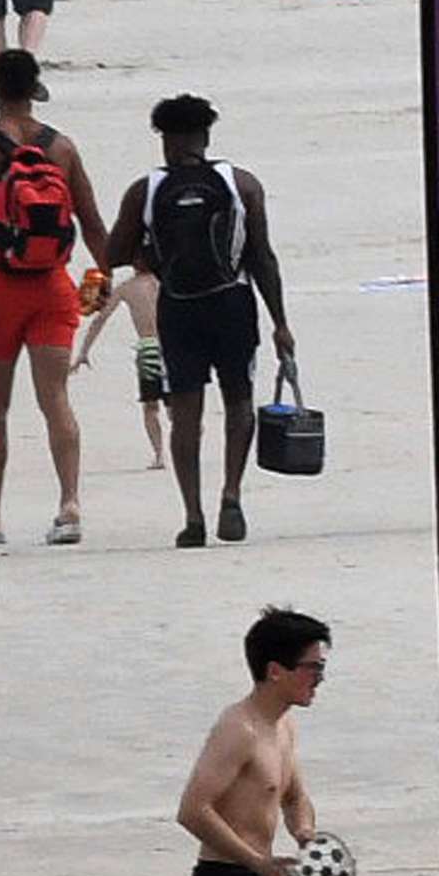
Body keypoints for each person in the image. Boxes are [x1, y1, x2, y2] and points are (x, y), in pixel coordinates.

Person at [101, 95, 294, 548]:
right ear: (206, 137)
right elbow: (261, 257)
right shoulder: (241, 184)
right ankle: (231, 493)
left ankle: (193, 516)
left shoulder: (144, 191)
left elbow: (112, 253)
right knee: (238, 401)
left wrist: (147, 253)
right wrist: (280, 322)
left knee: (185, 415)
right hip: (233, 303)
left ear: (164, 140)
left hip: (178, 308)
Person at [0, 48, 110, 546]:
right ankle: (68, 507)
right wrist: (101, 282)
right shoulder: (61, 146)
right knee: (56, 400)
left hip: (0, 286)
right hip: (53, 286)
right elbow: (91, 222)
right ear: (35, 88)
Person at [176, 608, 331, 876]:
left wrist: (307, 838)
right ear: (276, 671)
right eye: (312, 668)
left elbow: (294, 797)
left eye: (322, 667)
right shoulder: (238, 729)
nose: (319, 679)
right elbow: (193, 810)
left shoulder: (282, 727)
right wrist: (257, 863)